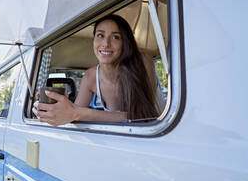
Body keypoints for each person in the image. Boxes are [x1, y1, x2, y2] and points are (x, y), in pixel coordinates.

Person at [33, 14, 161, 126]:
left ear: (125, 42)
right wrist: (61, 106)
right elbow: (74, 115)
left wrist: (76, 112)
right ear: (94, 39)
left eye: (115, 37)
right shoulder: (90, 76)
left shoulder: (142, 61)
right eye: (100, 35)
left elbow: (144, 118)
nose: (106, 43)